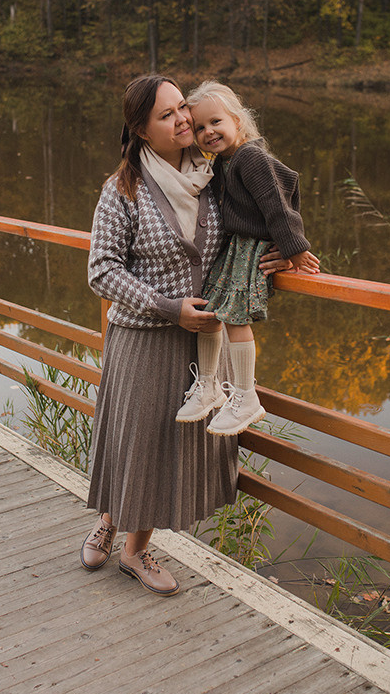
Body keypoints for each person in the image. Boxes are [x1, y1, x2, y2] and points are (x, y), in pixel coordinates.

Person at [81, 75, 291, 597]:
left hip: (204, 343)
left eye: (183, 110)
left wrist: (284, 250)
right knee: (135, 440)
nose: (182, 122)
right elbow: (101, 270)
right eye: (168, 116)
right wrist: (169, 308)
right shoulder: (122, 190)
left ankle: (135, 550)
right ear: (141, 130)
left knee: (168, 447)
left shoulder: (218, 178)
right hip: (144, 338)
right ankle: (111, 522)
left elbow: (264, 214)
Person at [176, 80, 320, 436]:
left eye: (216, 122)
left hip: (251, 249)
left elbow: (277, 202)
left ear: (237, 122)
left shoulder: (250, 157)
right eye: (200, 128)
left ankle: (245, 395)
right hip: (233, 248)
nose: (208, 132)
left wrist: (293, 249)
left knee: (236, 318)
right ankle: (208, 384)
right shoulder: (224, 162)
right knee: (210, 310)